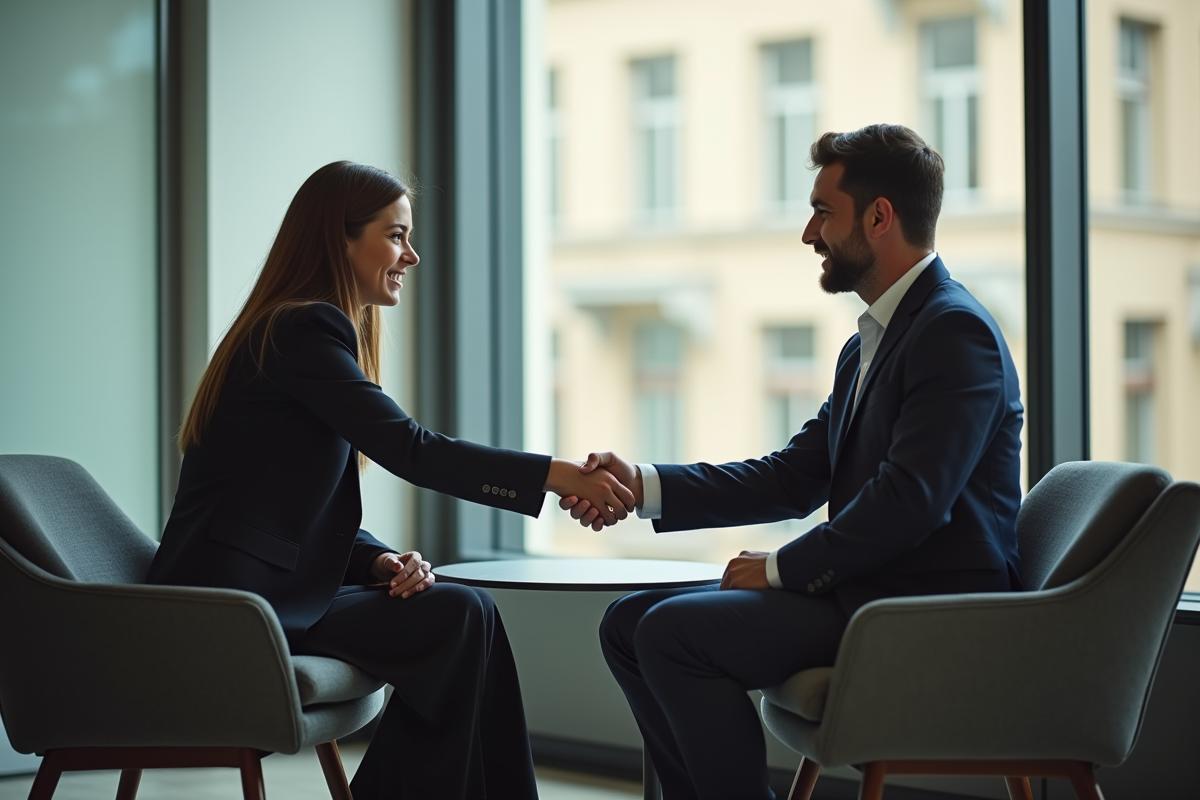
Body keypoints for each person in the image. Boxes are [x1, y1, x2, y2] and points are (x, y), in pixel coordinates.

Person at [562, 124, 1025, 799]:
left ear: (879, 217)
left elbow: (911, 501)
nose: (809, 234)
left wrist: (782, 568)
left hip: (926, 611)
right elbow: (794, 475)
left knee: (670, 633)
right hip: (869, 592)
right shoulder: (871, 342)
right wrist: (644, 485)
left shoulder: (955, 331)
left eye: (822, 212)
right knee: (627, 625)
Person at [146, 161, 635, 800]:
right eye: (396, 235)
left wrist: (378, 561)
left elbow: (283, 511)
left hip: (272, 592)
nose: (413, 255)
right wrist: (556, 475)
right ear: (339, 239)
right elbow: (412, 449)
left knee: (464, 611)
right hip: (231, 606)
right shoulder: (300, 328)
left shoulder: (299, 330)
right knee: (459, 614)